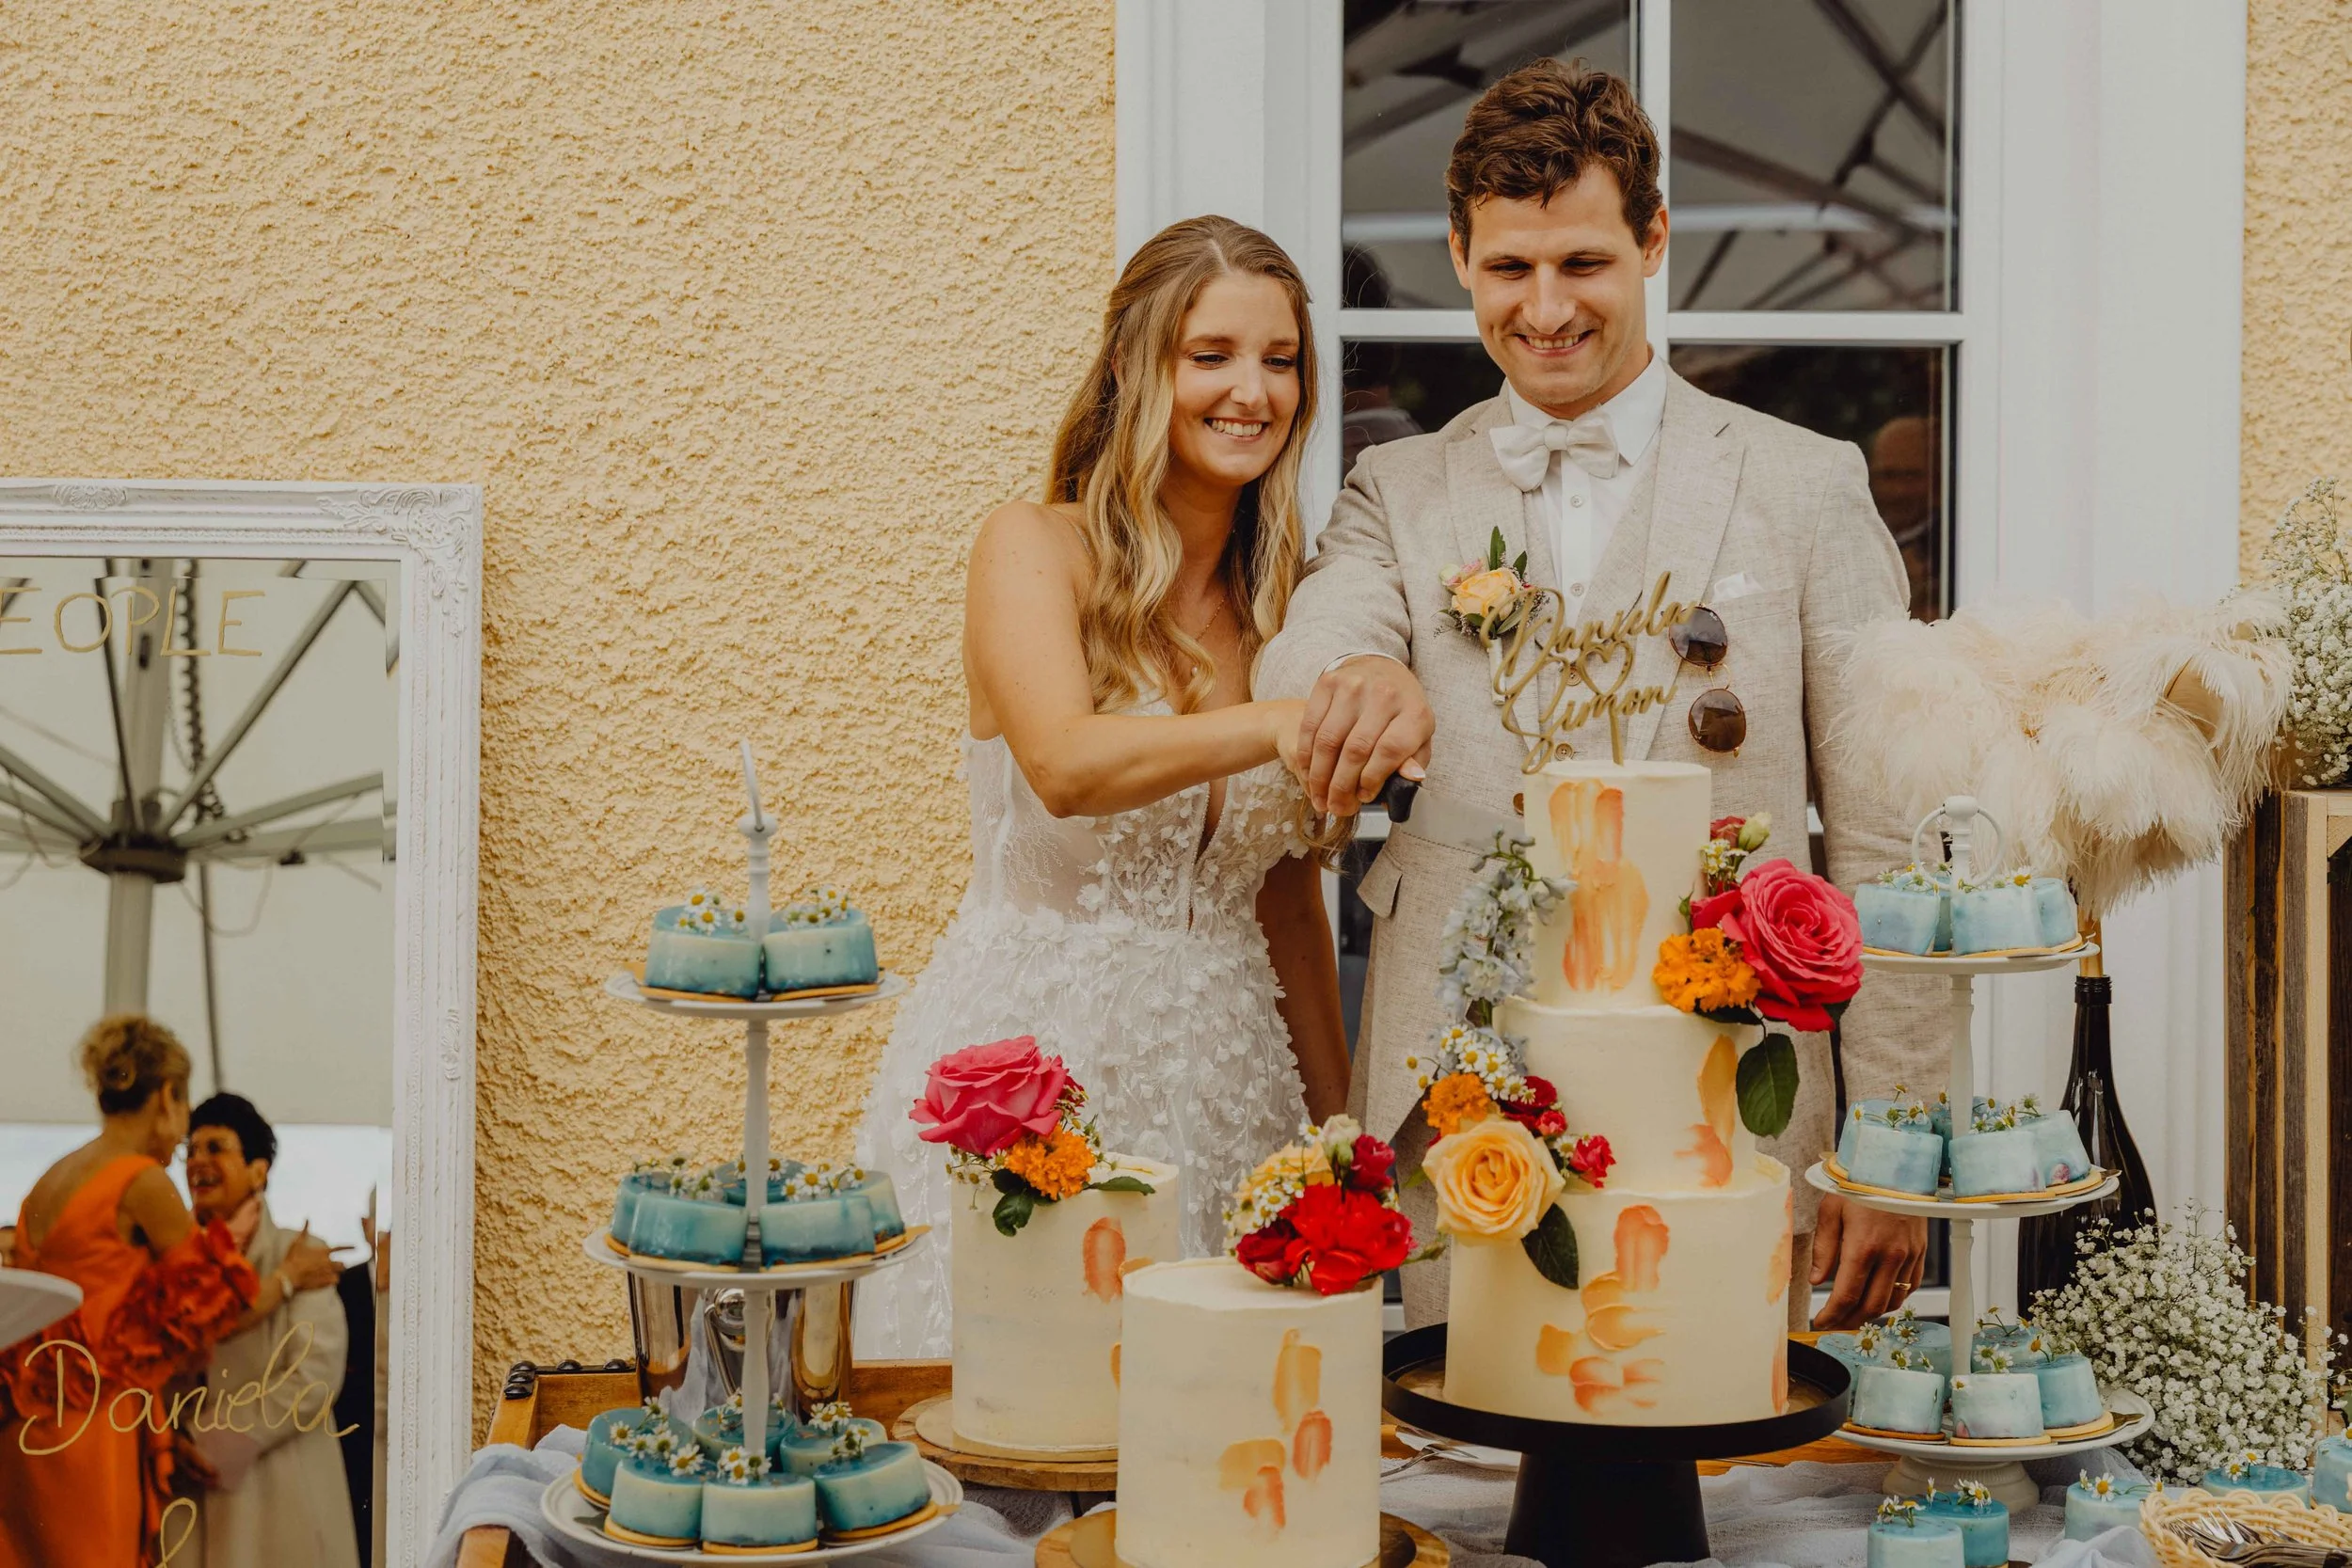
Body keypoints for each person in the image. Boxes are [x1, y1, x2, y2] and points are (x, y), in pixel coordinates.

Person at [1258, 60, 1943, 1333]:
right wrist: (1358, 675)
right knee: (1472, 1424)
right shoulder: (1396, 489)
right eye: (1509, 268)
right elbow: (1310, 649)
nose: (1545, 307)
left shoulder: (1806, 484)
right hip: (1466, 1091)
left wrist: (1896, 1141)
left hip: (1729, 1076)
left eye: (1583, 263)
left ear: (1654, 240)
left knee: (1717, 1426)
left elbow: (1888, 832)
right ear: (1459, 257)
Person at [855, 215, 1344, 1355]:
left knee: (1213, 1411)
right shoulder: (1033, 547)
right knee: (1012, 1397)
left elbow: (1286, 901)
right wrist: (1279, 720)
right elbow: (1065, 765)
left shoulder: (1291, 609)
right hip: (1031, 1072)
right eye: (1210, 354)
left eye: (1279, 360)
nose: (1251, 392)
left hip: (1230, 1083)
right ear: (1131, 364)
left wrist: (1339, 1135)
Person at [0, 1016, 328, 1568]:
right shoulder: (142, 1181)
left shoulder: (50, 1179)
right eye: (184, 1110)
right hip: (92, 1429)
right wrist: (289, 1276)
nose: (182, 1141)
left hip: (27, 1426)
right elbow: (215, 1311)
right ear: (167, 1096)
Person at [181, 1093, 361, 1568]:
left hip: (280, 1496)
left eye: (215, 1148)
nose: (197, 1161)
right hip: (185, 1496)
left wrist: (207, 1441)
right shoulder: (170, 1262)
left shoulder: (301, 1253)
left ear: (258, 1171)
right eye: (191, 1150)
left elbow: (314, 1375)